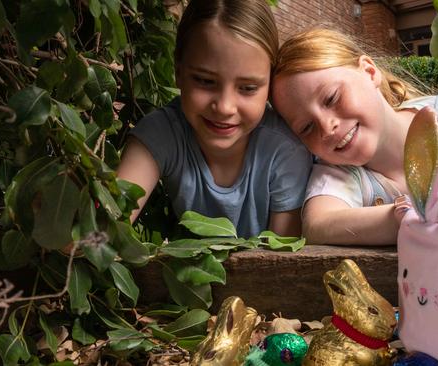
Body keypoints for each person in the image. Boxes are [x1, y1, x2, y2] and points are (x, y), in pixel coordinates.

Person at [271, 28, 438, 245]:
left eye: (331, 98)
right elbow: (317, 225)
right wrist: (408, 217)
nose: (327, 128)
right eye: (307, 127)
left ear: (370, 72)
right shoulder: (339, 172)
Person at [117, 0, 312, 238]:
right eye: (205, 81)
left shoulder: (285, 150)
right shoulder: (162, 133)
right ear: (178, 72)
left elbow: (282, 261)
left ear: (269, 86)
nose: (224, 107)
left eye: (248, 88)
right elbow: (103, 229)